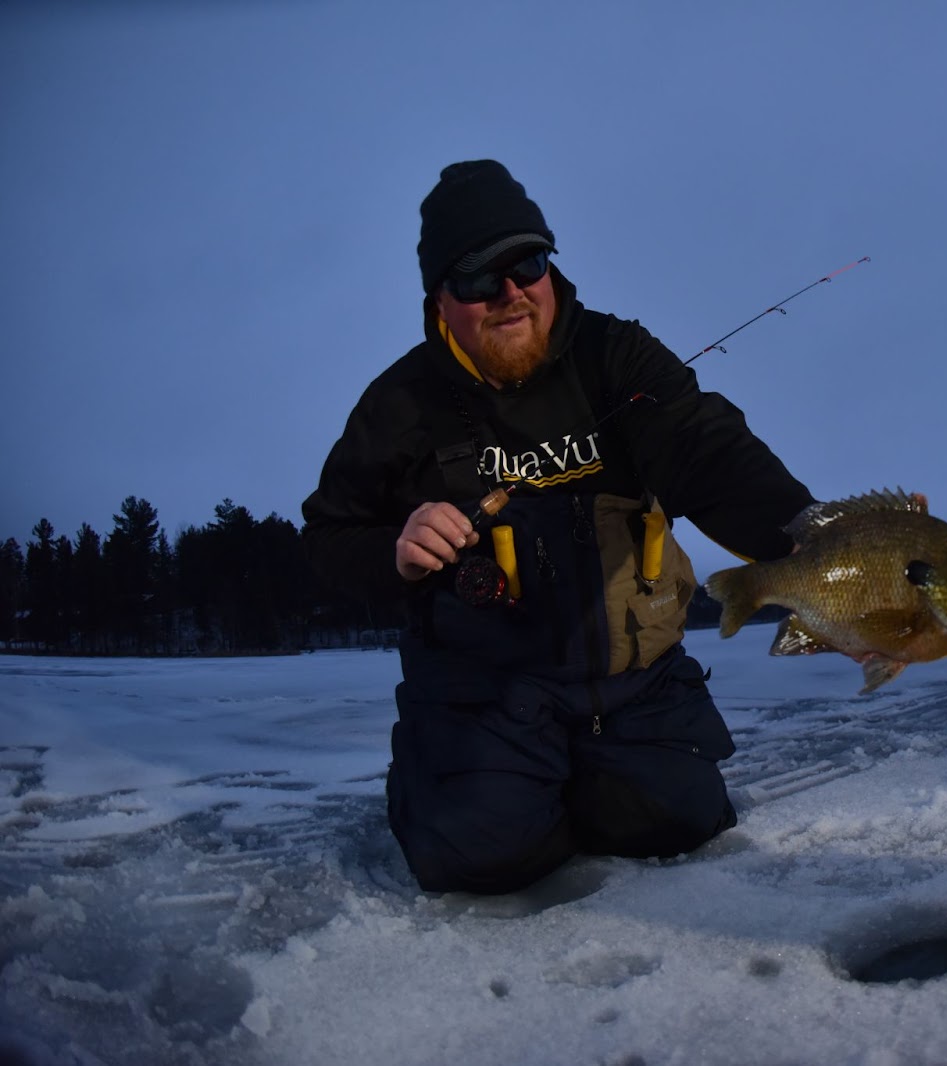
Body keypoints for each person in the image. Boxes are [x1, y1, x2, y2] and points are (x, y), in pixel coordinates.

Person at [303, 160, 813, 894]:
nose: (511, 292)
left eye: (528, 264)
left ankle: (581, 781)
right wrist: (396, 549)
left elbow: (709, 453)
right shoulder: (399, 404)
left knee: (680, 823)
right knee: (479, 860)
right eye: (480, 277)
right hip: (484, 696)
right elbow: (326, 538)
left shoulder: (617, 355)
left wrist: (812, 536)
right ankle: (477, 786)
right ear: (441, 297)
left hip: (635, 684)